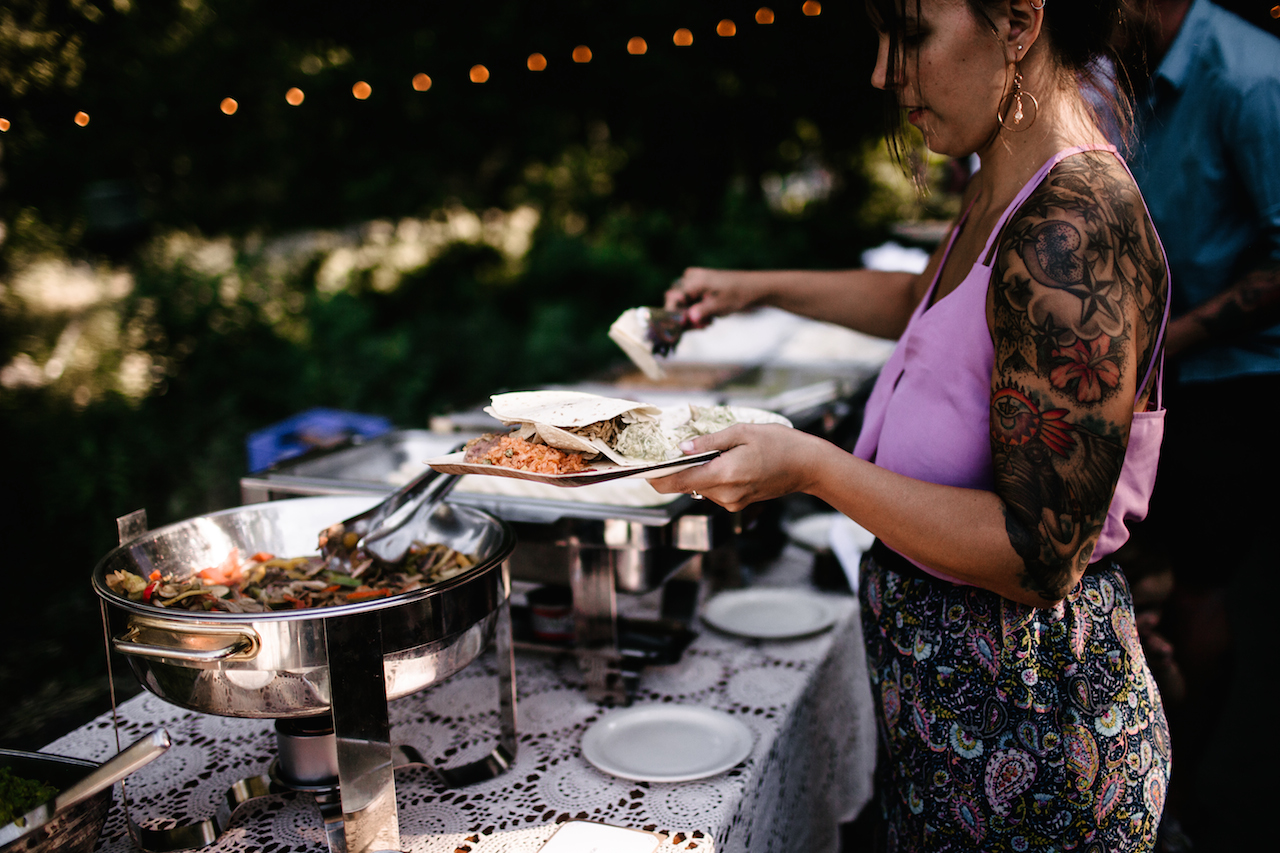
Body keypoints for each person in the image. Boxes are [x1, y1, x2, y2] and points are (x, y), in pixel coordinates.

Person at [650, 0, 1173, 850]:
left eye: (911, 35)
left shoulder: (1076, 229)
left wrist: (811, 467)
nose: (882, 72)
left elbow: (1037, 555)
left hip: (1037, 748)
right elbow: (929, 305)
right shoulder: (1001, 178)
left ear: (1018, 21)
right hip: (953, 729)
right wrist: (754, 286)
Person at [1116, 0, 1280, 846]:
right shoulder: (1142, 66)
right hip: (1161, 374)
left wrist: (1172, 336)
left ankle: (1189, 790)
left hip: (1232, 381)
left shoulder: (1253, 77)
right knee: (1153, 576)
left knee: (1201, 586)